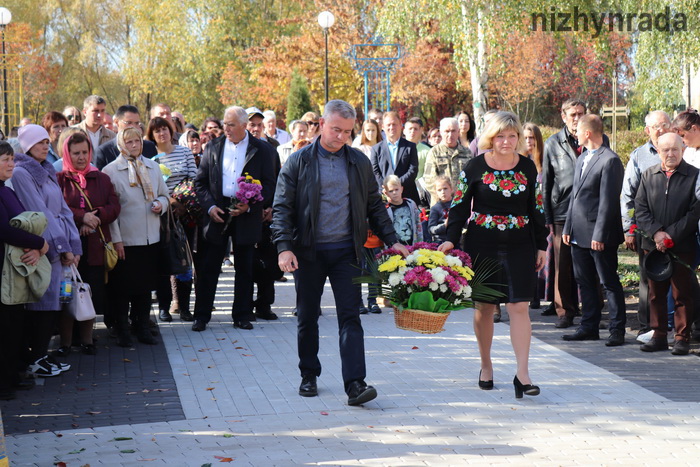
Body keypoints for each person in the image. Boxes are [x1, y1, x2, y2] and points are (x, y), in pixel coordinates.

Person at [272, 99, 407, 406]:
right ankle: (309, 374)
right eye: (336, 129)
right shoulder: (299, 161)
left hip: (348, 251)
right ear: (321, 124)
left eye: (347, 131)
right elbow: (282, 208)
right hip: (308, 252)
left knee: (351, 317)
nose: (342, 137)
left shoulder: (358, 162)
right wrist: (284, 248)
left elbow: (374, 205)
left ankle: (355, 384)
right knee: (307, 316)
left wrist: (391, 239)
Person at [438, 111, 547, 399]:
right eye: (501, 136)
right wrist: (451, 241)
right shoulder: (474, 167)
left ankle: (522, 374)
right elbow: (459, 207)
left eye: (512, 136)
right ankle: (486, 365)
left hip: (521, 244)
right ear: (490, 138)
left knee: (520, 307)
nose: (507, 141)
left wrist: (542, 244)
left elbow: (537, 208)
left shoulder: (527, 168)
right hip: (481, 243)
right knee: (485, 307)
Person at [191, 106, 276, 332]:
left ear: (244, 125)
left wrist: (251, 205)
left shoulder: (262, 149)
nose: (226, 129)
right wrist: (209, 207)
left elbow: (269, 184)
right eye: (224, 124)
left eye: (230, 125)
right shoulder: (213, 147)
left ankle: (242, 315)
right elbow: (199, 182)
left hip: (246, 215)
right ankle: (201, 316)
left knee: (245, 268)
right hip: (218, 213)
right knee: (209, 268)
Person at [11, 124, 82, 377]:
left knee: (55, 302)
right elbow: (39, 212)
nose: (45, 146)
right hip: (43, 246)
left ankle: (41, 355)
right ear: (28, 145)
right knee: (42, 303)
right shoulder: (21, 173)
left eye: (46, 141)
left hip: (57, 242)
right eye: (40, 142)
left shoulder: (46, 169)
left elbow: (63, 209)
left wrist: (74, 245)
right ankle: (35, 357)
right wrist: (61, 247)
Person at [561, 115, 626, 346]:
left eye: (577, 130)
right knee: (585, 281)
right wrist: (568, 226)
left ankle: (617, 330)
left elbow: (608, 202)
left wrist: (599, 234)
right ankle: (588, 327)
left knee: (608, 282)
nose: (575, 133)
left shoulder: (610, 160)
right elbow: (575, 197)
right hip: (578, 232)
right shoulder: (582, 158)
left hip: (600, 235)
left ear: (587, 133)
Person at [103, 128, 170, 347]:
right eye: (129, 142)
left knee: (144, 287)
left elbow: (164, 194)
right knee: (122, 288)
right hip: (126, 239)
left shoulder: (152, 167)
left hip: (150, 237)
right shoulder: (111, 171)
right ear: (120, 145)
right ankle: (122, 329)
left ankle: (142, 326)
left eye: (137, 141)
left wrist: (161, 204)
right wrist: (116, 239)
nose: (134, 145)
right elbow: (111, 210)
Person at [635, 133, 700, 355]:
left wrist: (670, 235)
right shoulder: (647, 175)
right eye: (666, 150)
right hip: (653, 246)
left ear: (682, 149)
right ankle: (659, 335)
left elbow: (694, 212)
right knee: (655, 294)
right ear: (658, 151)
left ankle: (682, 338)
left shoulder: (694, 176)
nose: (670, 154)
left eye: (675, 149)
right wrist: (657, 234)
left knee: (681, 294)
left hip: (681, 245)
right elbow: (640, 209)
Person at [56, 131, 120, 355]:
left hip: (94, 247)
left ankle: (87, 339)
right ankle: (65, 342)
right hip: (67, 249)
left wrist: (95, 217)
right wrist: (81, 216)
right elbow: (57, 209)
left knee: (87, 293)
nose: (81, 157)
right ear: (67, 153)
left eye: (85, 152)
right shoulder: (59, 179)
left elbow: (114, 206)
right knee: (66, 293)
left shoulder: (101, 178)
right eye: (76, 153)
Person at [0, 141, 50, 399]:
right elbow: (6, 230)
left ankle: (13, 375)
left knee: (15, 327)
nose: (11, 164)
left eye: (11, 158)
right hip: (3, 272)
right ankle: (4, 383)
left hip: (14, 268)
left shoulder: (5, 189)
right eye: (5, 159)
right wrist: (39, 243)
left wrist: (34, 245)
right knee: (6, 328)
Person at [620, 111, 671, 336]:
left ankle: (683, 328)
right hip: (647, 229)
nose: (660, 129)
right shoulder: (639, 156)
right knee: (647, 279)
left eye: (664, 125)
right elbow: (627, 195)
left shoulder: (681, 150)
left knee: (681, 279)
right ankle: (646, 327)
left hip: (678, 228)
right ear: (647, 130)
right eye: (655, 126)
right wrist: (629, 229)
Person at [145, 117, 197, 322]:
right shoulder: (150, 157)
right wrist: (169, 201)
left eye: (164, 129)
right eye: (157, 130)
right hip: (160, 215)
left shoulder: (184, 152)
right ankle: (164, 307)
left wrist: (181, 202)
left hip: (185, 214)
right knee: (163, 262)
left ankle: (184, 306)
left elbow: (193, 178)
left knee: (184, 260)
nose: (162, 133)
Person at [541, 99, 587, 329]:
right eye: (572, 114)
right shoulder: (552, 143)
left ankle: (591, 309)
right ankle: (564, 311)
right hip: (562, 211)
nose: (577, 118)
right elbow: (546, 184)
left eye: (580, 113)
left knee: (590, 263)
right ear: (563, 116)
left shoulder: (595, 138)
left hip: (589, 212)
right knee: (563, 265)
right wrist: (548, 218)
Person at [673, 108, 700, 340]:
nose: (682, 142)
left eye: (683, 136)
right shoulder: (689, 153)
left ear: (694, 129)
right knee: (687, 276)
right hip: (692, 225)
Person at [523, 122, 551, 312]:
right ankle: (530, 294)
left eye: (531, 138)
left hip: (543, 215)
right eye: (525, 138)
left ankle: (541, 295)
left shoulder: (544, 162)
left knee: (542, 256)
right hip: (524, 215)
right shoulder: (517, 162)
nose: (528, 142)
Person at [371, 112, 420, 204]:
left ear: (400, 125)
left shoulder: (410, 147)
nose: (391, 127)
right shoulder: (376, 149)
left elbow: (413, 170)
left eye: (394, 124)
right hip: (384, 198)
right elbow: (374, 171)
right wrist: (387, 188)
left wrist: (396, 185)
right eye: (388, 125)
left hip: (407, 196)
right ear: (382, 127)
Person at [423, 117, 473, 204]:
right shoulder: (433, 153)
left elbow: (472, 176)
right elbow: (428, 179)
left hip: (462, 201)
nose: (450, 135)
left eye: (453, 131)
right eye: (447, 131)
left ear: (458, 132)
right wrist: (444, 195)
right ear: (441, 133)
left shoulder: (467, 153)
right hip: (441, 204)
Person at [94, 105, 158, 170]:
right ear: (117, 122)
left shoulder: (149, 147)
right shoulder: (104, 152)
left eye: (136, 123)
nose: (133, 127)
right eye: (129, 123)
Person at [383, 174, 422, 245]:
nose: (394, 193)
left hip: (413, 244)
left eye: (396, 189)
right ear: (386, 193)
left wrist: (420, 242)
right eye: (391, 191)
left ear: (401, 189)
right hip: (395, 247)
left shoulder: (411, 204)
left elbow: (418, 223)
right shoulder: (386, 209)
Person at [428, 175, 453, 243]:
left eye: (445, 188)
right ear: (436, 192)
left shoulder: (457, 205)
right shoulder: (435, 208)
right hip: (440, 241)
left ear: (451, 189)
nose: (443, 192)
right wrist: (444, 225)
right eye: (439, 190)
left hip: (455, 240)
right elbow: (431, 229)